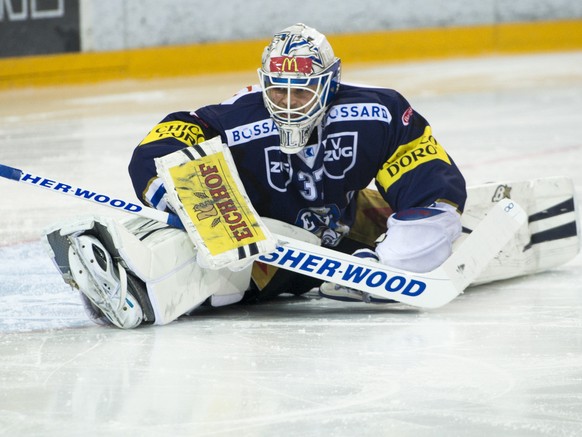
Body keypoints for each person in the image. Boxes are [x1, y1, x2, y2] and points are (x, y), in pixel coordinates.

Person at [44, 23, 466, 329]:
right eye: (277, 89)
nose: (287, 102)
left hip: (342, 222)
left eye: (301, 90)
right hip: (271, 236)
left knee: (429, 210)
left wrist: (392, 264)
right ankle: (133, 279)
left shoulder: (378, 112)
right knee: (225, 271)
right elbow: (166, 138)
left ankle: (136, 272)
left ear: (330, 83)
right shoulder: (238, 117)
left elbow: (424, 169)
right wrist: (178, 192)